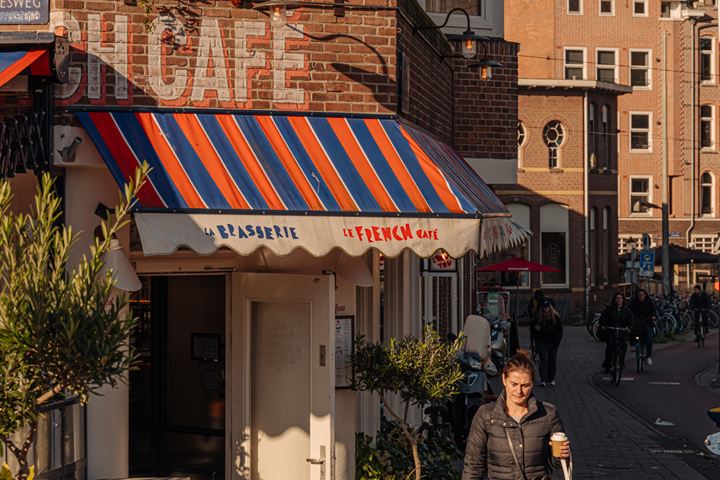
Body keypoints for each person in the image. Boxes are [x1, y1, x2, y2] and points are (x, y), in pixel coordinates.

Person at [462, 349, 571, 480]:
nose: (519, 391)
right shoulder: (486, 415)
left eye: (525, 385)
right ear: (504, 379)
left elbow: (557, 464)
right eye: (514, 384)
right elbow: (473, 465)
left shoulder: (547, 414)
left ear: (532, 384)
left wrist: (562, 455)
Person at [530, 298, 563, 386]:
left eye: (547, 307)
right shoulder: (538, 318)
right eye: (544, 307)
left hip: (552, 342)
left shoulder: (555, 318)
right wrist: (536, 334)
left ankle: (551, 378)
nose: (546, 309)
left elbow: (559, 331)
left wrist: (556, 343)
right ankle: (543, 379)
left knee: (552, 360)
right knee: (544, 360)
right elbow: (533, 330)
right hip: (542, 342)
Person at [599, 292, 633, 373]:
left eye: (620, 298)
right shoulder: (609, 309)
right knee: (610, 347)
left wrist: (629, 327)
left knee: (623, 345)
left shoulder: (626, 310)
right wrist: (603, 325)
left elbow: (631, 320)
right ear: (614, 299)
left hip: (622, 331)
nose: (619, 300)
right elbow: (603, 318)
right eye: (617, 298)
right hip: (611, 330)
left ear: (623, 300)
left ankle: (621, 362)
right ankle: (607, 364)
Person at [628, 289, 657, 366]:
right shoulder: (633, 303)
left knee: (649, 338)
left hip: (647, 322)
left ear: (645, 295)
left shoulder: (649, 302)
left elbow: (653, 310)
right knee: (633, 333)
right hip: (637, 323)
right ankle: (634, 344)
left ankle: (649, 356)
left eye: (642, 295)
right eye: (639, 295)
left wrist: (653, 316)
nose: (641, 296)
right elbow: (629, 311)